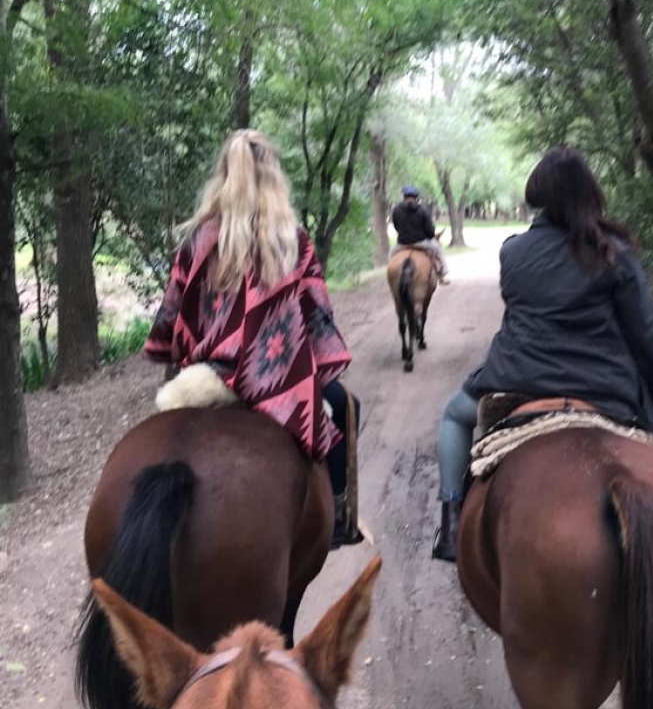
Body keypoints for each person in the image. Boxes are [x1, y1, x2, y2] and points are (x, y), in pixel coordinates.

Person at [432, 145, 653, 562]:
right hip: (604, 385)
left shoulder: (513, 251)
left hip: (518, 378)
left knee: (454, 416)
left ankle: (451, 523)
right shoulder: (614, 250)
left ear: (539, 195)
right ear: (590, 192)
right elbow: (644, 334)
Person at [144, 129, 363, 548]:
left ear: (224, 174)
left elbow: (172, 312)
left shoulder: (198, 239)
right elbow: (317, 315)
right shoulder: (293, 241)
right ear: (272, 174)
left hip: (207, 377)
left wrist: (182, 351)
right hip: (277, 380)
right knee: (346, 407)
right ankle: (338, 517)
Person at [391, 184, 450, 283]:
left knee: (391, 255)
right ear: (416, 198)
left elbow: (396, 226)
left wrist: (404, 234)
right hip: (421, 243)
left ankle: (391, 278)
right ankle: (442, 275)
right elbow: (430, 231)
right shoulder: (423, 210)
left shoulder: (396, 210)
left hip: (402, 243)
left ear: (404, 197)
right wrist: (429, 236)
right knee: (437, 249)